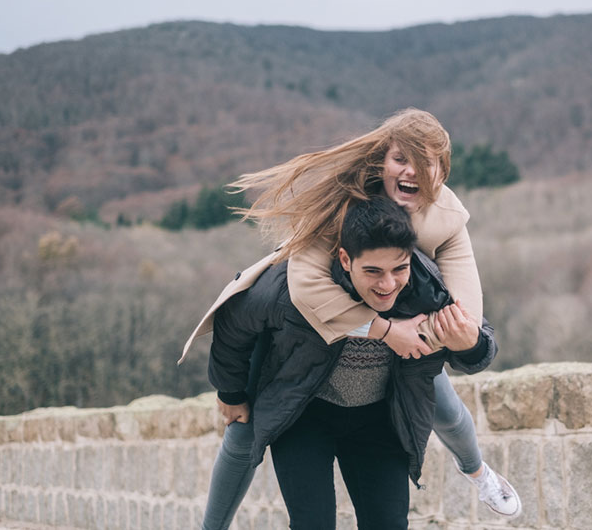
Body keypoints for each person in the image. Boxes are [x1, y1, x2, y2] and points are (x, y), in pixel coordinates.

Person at [178, 109, 520, 522]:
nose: (411, 170)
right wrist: (386, 330)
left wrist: (451, 337)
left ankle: (478, 471)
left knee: (441, 404)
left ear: (442, 170)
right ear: (381, 163)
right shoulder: (339, 210)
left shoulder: (445, 223)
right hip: (306, 355)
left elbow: (467, 323)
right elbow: (300, 292)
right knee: (243, 428)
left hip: (395, 364)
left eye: (425, 161)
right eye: (401, 159)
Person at [205, 197, 496, 528]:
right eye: (372, 271)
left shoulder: (426, 290)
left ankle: (477, 469)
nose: (387, 285)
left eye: (399, 269)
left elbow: (481, 345)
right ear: (345, 259)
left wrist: (469, 345)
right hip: (305, 415)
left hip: (377, 419)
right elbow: (232, 324)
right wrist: (230, 392)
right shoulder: (290, 288)